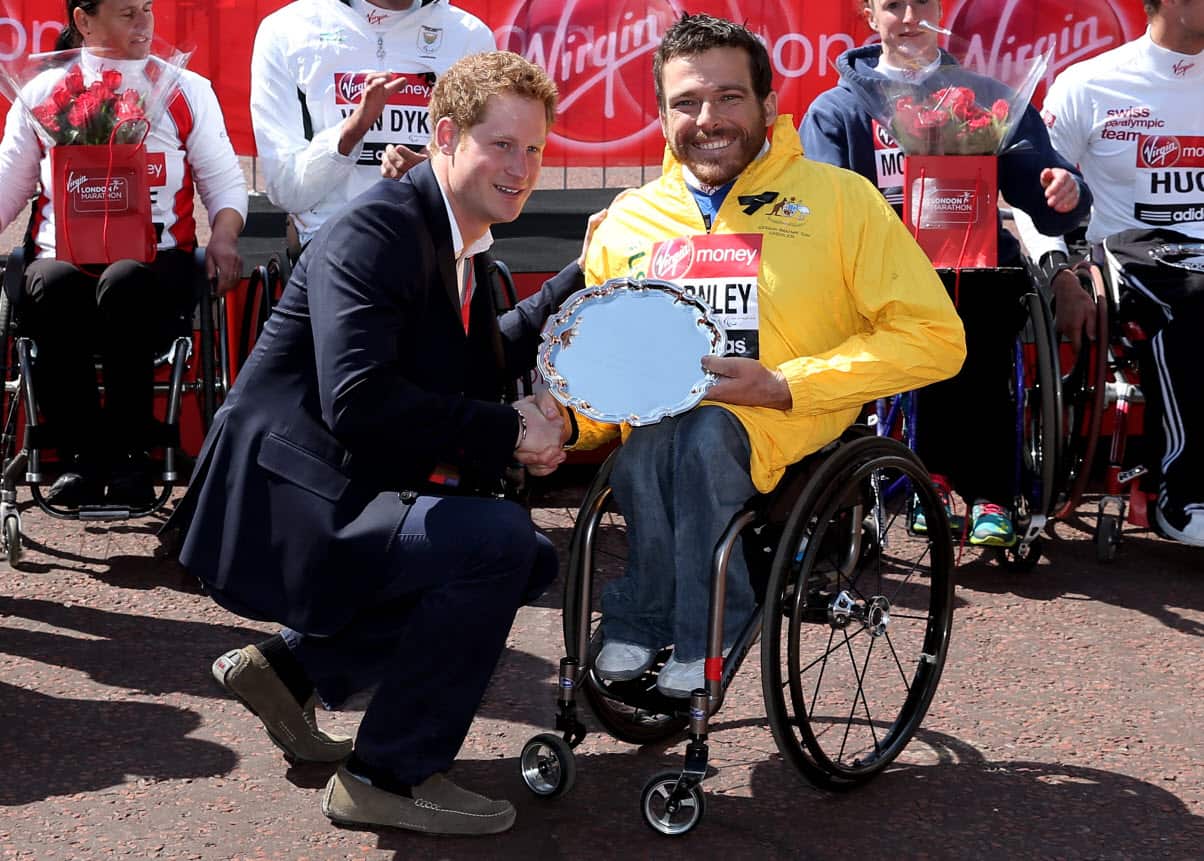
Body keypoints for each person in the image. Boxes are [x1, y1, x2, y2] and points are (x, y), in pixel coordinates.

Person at [169, 51, 589, 835]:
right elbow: (360, 400)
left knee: (527, 553)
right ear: (445, 137)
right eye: (502, 144)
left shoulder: (454, 234)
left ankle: (290, 668)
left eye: (534, 149)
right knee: (497, 540)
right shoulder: (379, 228)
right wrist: (511, 429)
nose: (522, 167)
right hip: (286, 500)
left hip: (342, 484)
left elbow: (478, 357)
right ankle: (386, 773)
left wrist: (577, 274)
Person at [541, 14, 966, 698]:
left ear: (769, 106)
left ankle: (717, 620)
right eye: (686, 103)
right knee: (648, 443)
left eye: (729, 97)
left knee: (704, 433)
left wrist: (784, 383)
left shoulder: (841, 200)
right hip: (664, 421)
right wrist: (562, 420)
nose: (708, 119)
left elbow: (934, 337)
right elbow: (607, 379)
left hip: (790, 415)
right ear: (661, 115)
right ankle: (644, 617)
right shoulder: (628, 220)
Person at [800, 0, 1093, 548]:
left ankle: (991, 490)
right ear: (869, 18)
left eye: (923, 4)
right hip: (881, 270)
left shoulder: (984, 98)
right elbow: (823, 206)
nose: (910, 16)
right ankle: (926, 472)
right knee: (922, 303)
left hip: (976, 262)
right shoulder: (837, 109)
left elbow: (1037, 176)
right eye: (893, 5)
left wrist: (1062, 189)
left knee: (985, 293)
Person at [0, 0, 246, 508]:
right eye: (127, 13)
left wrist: (223, 237)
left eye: (147, 10)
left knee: (125, 279)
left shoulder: (183, 88)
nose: (144, 23)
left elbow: (224, 184)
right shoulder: (44, 91)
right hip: (63, 262)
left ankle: (132, 457)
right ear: (83, 21)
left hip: (156, 265)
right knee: (51, 283)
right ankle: (82, 458)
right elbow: (8, 186)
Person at [1012, 0, 1204, 547]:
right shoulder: (1089, 84)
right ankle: (1184, 494)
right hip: (1133, 253)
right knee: (1196, 297)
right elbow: (1033, 200)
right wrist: (1059, 275)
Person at [250, 0, 493, 254]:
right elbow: (287, 189)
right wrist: (350, 133)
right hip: (333, 243)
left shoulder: (469, 36)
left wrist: (434, 175)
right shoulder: (286, 30)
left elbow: (491, 167)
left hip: (441, 243)